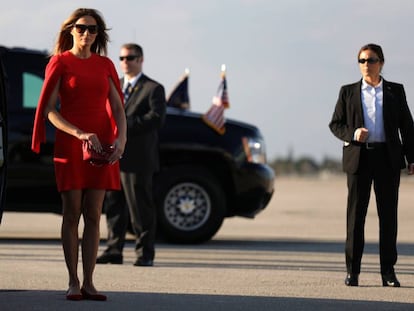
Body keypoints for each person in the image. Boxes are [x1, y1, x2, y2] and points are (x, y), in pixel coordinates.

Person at [31, 8, 127, 300]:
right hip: (72, 144)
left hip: (101, 145)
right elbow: (48, 110)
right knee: (72, 212)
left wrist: (121, 139)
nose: (87, 34)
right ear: (70, 30)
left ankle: (89, 281)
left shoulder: (105, 64)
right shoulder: (60, 62)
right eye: (82, 28)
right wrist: (79, 133)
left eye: (93, 29)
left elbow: (118, 108)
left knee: (95, 214)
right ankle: (73, 281)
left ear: (99, 34)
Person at [329, 43, 414, 287]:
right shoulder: (347, 92)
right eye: (362, 60)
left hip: (387, 159)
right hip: (359, 159)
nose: (367, 65)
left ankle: (388, 272)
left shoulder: (396, 91)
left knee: (388, 217)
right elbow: (335, 124)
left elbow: (407, 126)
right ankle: (352, 272)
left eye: (372, 60)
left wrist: (412, 158)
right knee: (356, 218)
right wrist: (353, 133)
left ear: (382, 63)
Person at [96, 43, 166, 267]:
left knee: (140, 207)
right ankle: (114, 249)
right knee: (113, 205)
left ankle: (145, 253)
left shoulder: (153, 88)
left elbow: (156, 118)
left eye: (130, 58)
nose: (125, 62)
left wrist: (123, 126)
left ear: (141, 59)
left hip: (138, 159)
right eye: (122, 58)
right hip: (114, 157)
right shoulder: (114, 85)